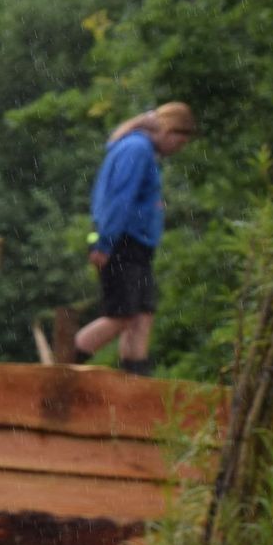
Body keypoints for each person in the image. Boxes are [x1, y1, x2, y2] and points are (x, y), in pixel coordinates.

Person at [74, 102, 198, 376]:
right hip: (122, 243)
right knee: (121, 315)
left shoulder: (146, 153)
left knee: (143, 314)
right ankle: (66, 361)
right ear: (168, 131)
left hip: (139, 247)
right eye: (180, 141)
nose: (179, 148)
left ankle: (135, 382)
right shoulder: (136, 149)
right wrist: (103, 242)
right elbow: (118, 200)